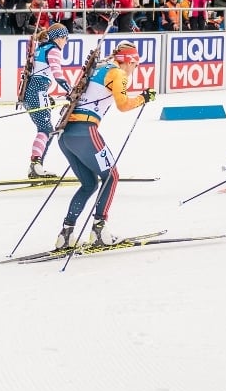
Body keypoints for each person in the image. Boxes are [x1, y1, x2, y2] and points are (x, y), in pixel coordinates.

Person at [55, 43, 156, 249]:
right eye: (135, 65)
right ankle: (99, 229)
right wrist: (144, 98)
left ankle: (66, 234)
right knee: (112, 176)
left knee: (89, 184)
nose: (134, 70)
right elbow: (123, 104)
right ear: (129, 61)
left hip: (66, 135)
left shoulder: (99, 68)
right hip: (85, 131)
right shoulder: (118, 73)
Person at [22, 24, 71, 178]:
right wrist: (71, 90)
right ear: (59, 38)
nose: (66, 42)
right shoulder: (53, 50)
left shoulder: (41, 48)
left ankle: (36, 166)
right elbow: (57, 74)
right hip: (37, 91)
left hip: (31, 92)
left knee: (46, 130)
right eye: (65, 38)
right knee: (46, 130)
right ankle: (35, 166)